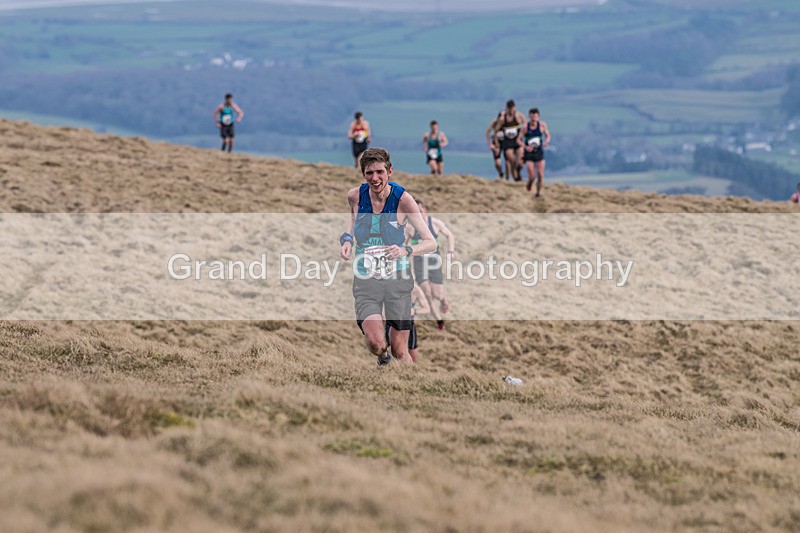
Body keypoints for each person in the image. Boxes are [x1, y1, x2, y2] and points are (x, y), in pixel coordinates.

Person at [340, 148, 437, 365]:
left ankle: (412, 389)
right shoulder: (355, 196)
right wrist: (346, 241)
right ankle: (384, 360)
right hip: (366, 279)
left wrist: (406, 250)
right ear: (363, 174)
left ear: (389, 171)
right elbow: (352, 222)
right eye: (369, 173)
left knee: (401, 350)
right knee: (376, 343)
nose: (375, 178)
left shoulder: (403, 200)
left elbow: (431, 242)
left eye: (379, 172)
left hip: (398, 281)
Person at [407, 199, 455, 330]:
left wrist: (451, 250)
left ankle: (443, 300)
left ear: (425, 209)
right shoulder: (410, 228)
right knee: (427, 294)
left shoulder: (434, 223)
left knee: (437, 294)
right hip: (419, 264)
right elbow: (403, 245)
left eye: (420, 209)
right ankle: (440, 322)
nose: (418, 212)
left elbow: (450, 235)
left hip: (434, 263)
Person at [384, 282, 430, 363]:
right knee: (390, 352)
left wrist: (415, 311)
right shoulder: (390, 286)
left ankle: (411, 373)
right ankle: (389, 372)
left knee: (413, 355)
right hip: (392, 323)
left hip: (409, 324)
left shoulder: (415, 289)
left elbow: (427, 309)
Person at [488, 100, 526, 181]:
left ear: (515, 108)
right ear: (506, 109)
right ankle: (513, 177)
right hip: (508, 142)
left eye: (512, 109)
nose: (511, 111)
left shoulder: (519, 116)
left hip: (517, 141)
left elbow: (526, 126)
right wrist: (495, 142)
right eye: (509, 110)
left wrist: (525, 137)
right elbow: (495, 131)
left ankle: (518, 171)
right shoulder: (502, 119)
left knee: (520, 163)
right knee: (511, 160)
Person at [521, 107, 551, 197]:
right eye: (532, 116)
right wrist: (525, 147)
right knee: (532, 176)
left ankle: (538, 193)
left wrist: (546, 141)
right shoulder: (525, 127)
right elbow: (518, 140)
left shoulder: (542, 125)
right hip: (529, 154)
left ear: (538, 117)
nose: (534, 118)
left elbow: (548, 135)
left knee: (540, 175)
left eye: (535, 116)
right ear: (529, 117)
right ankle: (529, 183)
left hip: (539, 152)